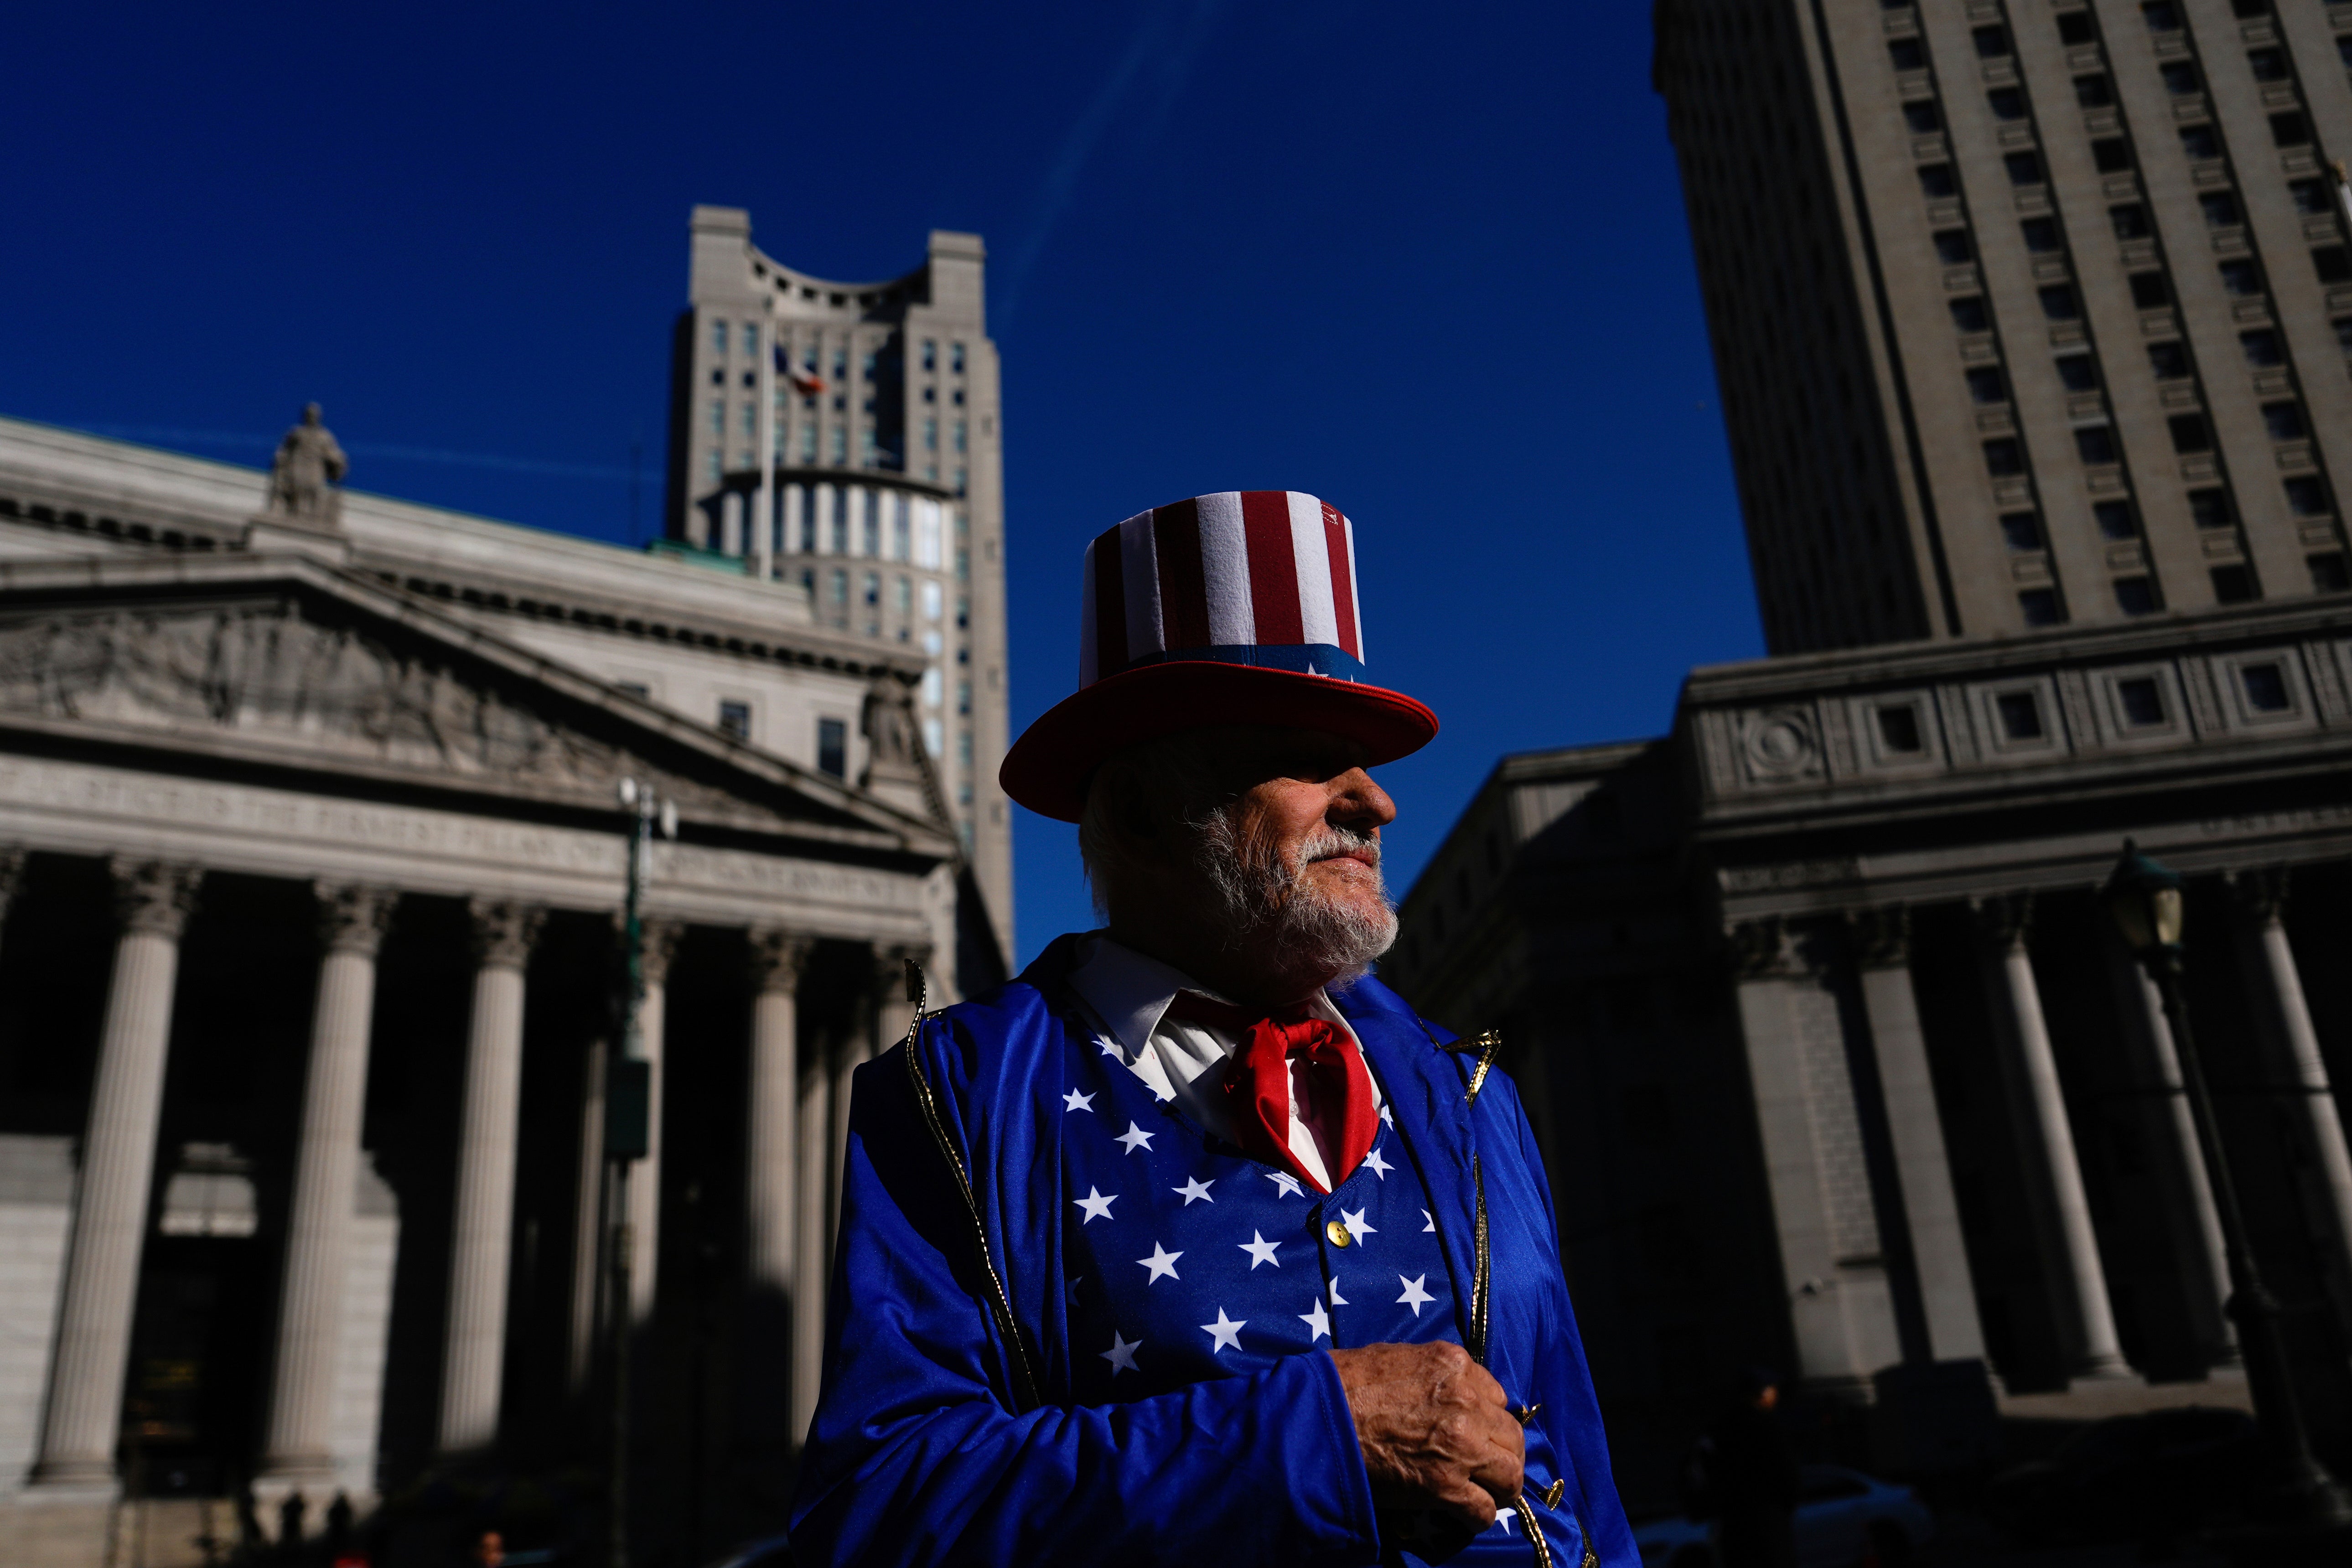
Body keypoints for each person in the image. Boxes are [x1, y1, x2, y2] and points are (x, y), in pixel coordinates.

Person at [790, 492, 1636, 1566]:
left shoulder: (1469, 1098)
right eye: (1304, 754)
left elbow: (1583, 1486)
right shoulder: (954, 1095)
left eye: (1365, 757)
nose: (1374, 801)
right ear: (1145, 814)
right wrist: (1322, 1431)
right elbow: (876, 1509)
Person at [1704, 1369, 1799, 1568]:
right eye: (1773, 1390)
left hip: (1733, 1524)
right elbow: (1786, 1474)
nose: (1776, 1395)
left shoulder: (1723, 1427)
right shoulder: (1768, 1427)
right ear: (1763, 1393)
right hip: (1768, 1519)